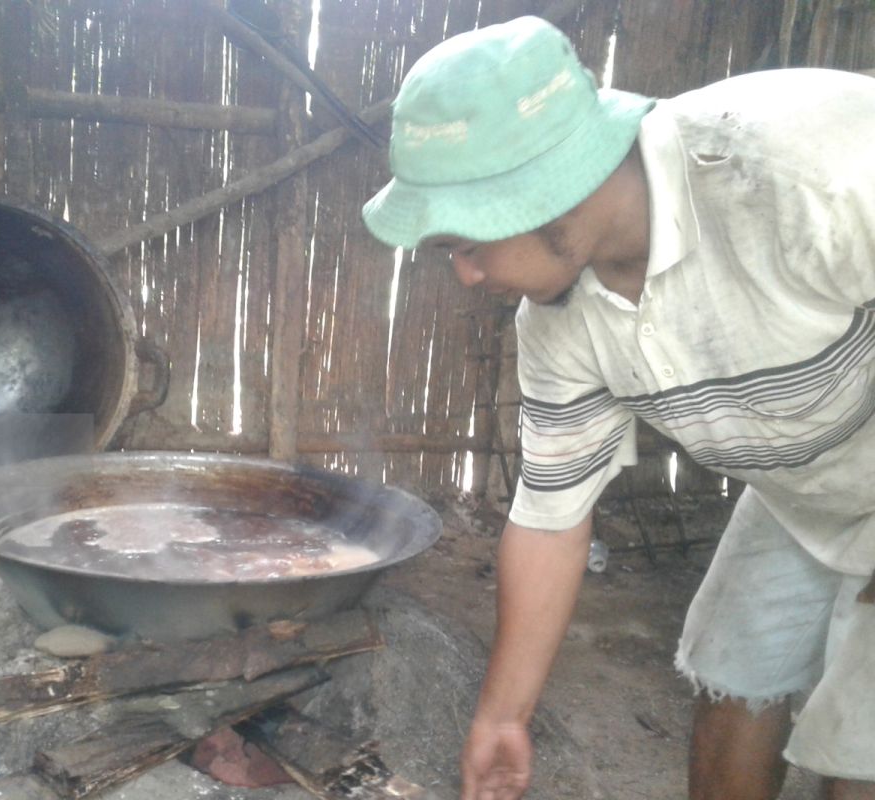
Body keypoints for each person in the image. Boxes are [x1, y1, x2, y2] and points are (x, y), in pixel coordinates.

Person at [361, 15, 875, 800]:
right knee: (733, 677)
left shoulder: (807, 164)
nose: (465, 275)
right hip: (805, 483)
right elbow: (552, 520)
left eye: (465, 243)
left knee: (855, 753)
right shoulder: (562, 322)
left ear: (536, 188)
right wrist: (503, 716)